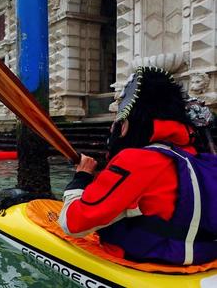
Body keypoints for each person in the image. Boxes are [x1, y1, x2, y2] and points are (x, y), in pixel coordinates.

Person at [58, 66, 217, 265]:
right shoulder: (201, 158)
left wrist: (81, 178)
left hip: (158, 260)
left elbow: (72, 224)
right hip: (205, 256)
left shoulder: (137, 160)